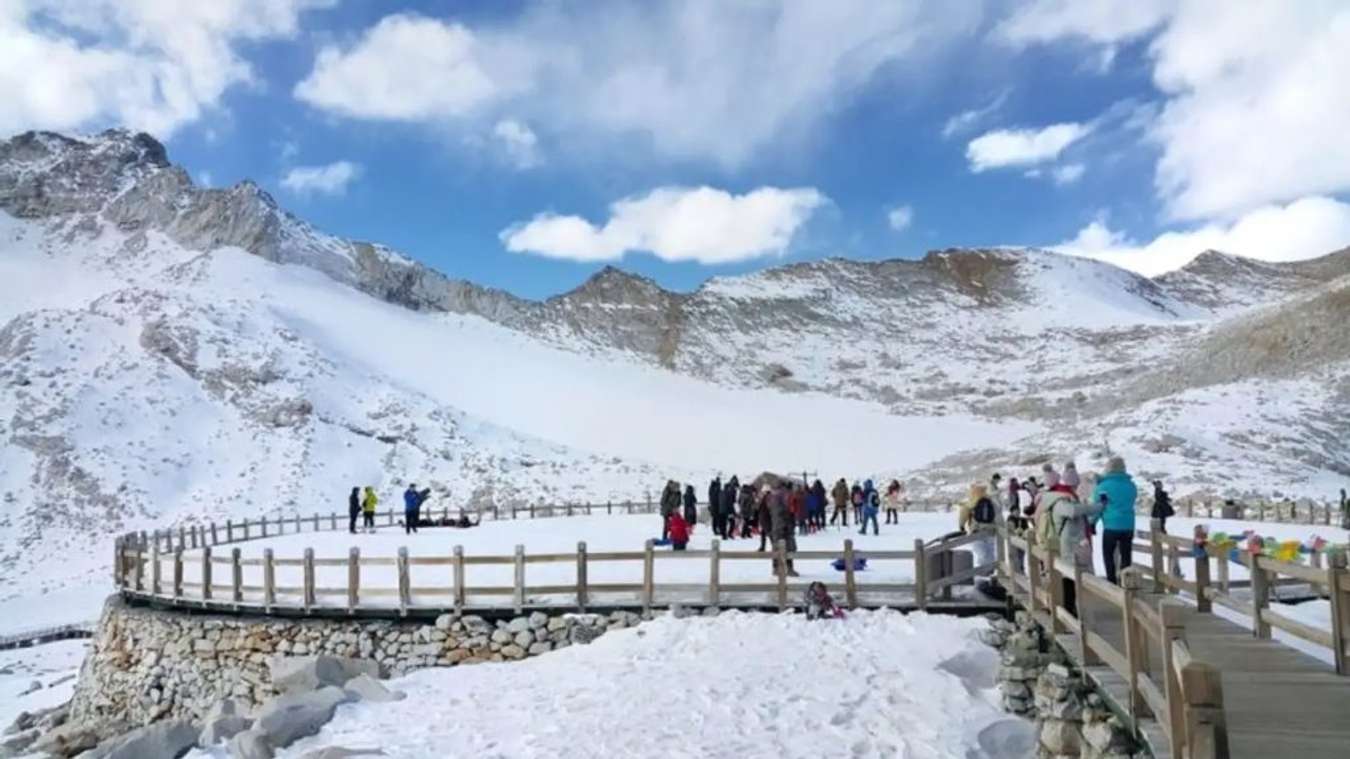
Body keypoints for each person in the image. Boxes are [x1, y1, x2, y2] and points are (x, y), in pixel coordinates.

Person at [1048, 488, 1104, 616]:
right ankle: (1068, 611)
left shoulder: (1065, 503)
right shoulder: (1061, 504)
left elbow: (1083, 515)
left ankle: (1072, 611)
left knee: (1072, 579)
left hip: (1075, 547)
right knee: (1068, 578)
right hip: (1068, 547)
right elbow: (1074, 511)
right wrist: (1099, 506)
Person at [1093, 457, 1139, 585]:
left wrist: (1093, 523)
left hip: (1111, 525)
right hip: (1128, 525)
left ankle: (1111, 582)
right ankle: (1127, 582)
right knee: (1126, 555)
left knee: (1108, 555)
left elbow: (1099, 506)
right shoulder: (1131, 485)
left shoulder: (1103, 487)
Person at [958, 483, 997, 571]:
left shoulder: (971, 503)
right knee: (990, 553)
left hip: (977, 531)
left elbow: (963, 515)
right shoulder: (990, 501)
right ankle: (990, 572)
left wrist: (961, 527)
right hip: (991, 531)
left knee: (982, 554)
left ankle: (983, 573)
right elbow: (997, 516)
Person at [768, 483, 799, 576]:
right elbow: (787, 510)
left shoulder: (773, 496)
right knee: (788, 547)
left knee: (777, 547)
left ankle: (776, 568)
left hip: (777, 525)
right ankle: (788, 568)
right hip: (784, 525)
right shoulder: (784, 495)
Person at [756, 487, 774, 552]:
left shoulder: (766, 498)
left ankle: (770, 546)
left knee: (768, 533)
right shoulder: (767, 498)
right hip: (765, 517)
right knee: (764, 533)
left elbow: (759, 507)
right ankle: (763, 546)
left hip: (765, 517)